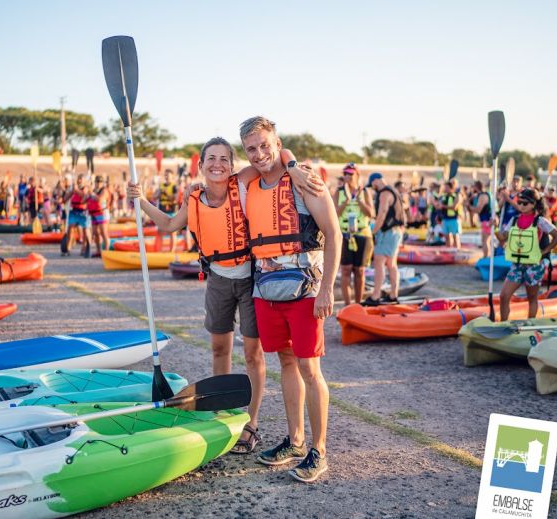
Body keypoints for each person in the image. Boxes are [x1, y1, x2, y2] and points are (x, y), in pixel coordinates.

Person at [127, 137, 323, 457]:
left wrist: (292, 166)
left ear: (231, 166)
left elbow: (275, 154)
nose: (217, 164)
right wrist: (141, 200)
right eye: (211, 159)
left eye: (224, 159)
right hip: (217, 278)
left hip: (250, 278)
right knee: (219, 348)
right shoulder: (194, 197)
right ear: (201, 165)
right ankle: (221, 414)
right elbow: (167, 225)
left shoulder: (242, 182)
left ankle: (251, 422)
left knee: (252, 355)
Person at [240, 116, 340, 484]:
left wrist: (327, 289)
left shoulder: (305, 180)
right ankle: (296, 440)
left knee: (310, 368)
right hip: (266, 289)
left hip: (305, 289)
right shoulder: (249, 182)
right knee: (285, 361)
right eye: (252, 148)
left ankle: (319, 449)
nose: (260, 153)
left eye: (265, 145)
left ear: (277, 143)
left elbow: (333, 231)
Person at [496, 189, 557, 321]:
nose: (521, 205)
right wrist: (495, 227)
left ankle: (530, 324)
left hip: (534, 266)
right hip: (517, 265)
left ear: (533, 204)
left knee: (531, 298)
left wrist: (544, 252)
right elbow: (502, 238)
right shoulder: (514, 220)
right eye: (519, 202)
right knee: (504, 296)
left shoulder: (540, 221)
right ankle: (503, 324)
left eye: (524, 203)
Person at [333, 163, 374, 306]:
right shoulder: (339, 192)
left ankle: (358, 304)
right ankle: (347, 305)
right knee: (346, 270)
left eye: (350, 174)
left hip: (362, 234)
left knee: (360, 271)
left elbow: (371, 213)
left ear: (357, 175)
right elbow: (334, 214)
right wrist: (346, 201)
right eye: (345, 173)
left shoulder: (365, 191)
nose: (347, 176)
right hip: (345, 234)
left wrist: (358, 200)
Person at [364, 172, 406, 306]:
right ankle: (393, 295)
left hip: (388, 232)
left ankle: (376, 296)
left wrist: (373, 232)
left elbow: (382, 215)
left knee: (379, 263)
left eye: (372, 185)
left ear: (376, 181)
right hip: (396, 231)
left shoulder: (384, 193)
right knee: (391, 264)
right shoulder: (394, 191)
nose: (372, 187)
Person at [64, 174, 91, 257]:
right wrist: (72, 191)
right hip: (74, 211)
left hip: (83, 212)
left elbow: (84, 196)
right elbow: (65, 199)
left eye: (81, 179)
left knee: (85, 230)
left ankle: (84, 248)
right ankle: (68, 248)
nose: (79, 181)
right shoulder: (73, 188)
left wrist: (76, 190)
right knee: (70, 229)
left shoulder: (86, 188)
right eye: (78, 179)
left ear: (84, 181)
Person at [155, 170, 180, 252]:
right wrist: (158, 193)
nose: (166, 177)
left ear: (172, 177)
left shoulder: (174, 187)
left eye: (168, 176)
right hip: (162, 211)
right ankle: (159, 250)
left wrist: (166, 193)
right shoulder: (161, 186)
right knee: (160, 231)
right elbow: (154, 197)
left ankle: (172, 251)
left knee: (172, 232)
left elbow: (175, 199)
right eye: (165, 175)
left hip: (171, 211)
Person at [87, 175, 111, 257]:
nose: (98, 183)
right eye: (97, 181)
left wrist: (92, 194)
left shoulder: (104, 191)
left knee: (103, 233)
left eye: (100, 182)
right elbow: (85, 200)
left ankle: (107, 252)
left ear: (102, 183)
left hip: (102, 213)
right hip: (94, 213)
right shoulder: (94, 190)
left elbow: (100, 199)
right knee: (95, 233)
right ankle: (98, 250)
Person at [470, 181, 492, 257]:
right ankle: (486, 257)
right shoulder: (483, 195)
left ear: (476, 187)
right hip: (486, 220)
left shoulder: (482, 196)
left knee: (485, 241)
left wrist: (470, 207)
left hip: (487, 220)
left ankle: (486, 257)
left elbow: (478, 209)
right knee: (485, 241)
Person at [436, 180, 461, 248]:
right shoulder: (444, 196)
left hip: (453, 219)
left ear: (451, 188)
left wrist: (443, 206)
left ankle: (457, 250)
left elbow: (454, 207)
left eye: (446, 187)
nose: (445, 189)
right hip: (445, 219)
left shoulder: (456, 195)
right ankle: (448, 250)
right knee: (447, 237)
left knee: (455, 236)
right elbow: (438, 205)